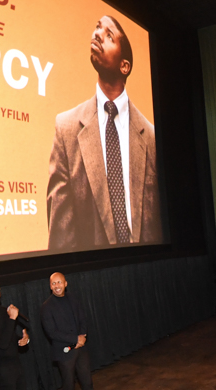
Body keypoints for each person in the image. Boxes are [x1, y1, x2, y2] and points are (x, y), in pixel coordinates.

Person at [46, 15, 161, 252]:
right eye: (98, 27)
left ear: (124, 66)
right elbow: (61, 234)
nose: (98, 33)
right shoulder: (66, 128)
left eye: (109, 36)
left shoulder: (150, 136)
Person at [39, 272, 111, 390]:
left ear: (66, 283)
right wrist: (74, 339)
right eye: (53, 283)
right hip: (65, 353)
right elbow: (51, 332)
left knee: (87, 383)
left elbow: (82, 319)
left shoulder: (73, 298)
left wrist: (83, 336)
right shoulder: (47, 307)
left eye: (59, 282)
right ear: (50, 286)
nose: (56, 286)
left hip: (81, 349)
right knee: (69, 388)